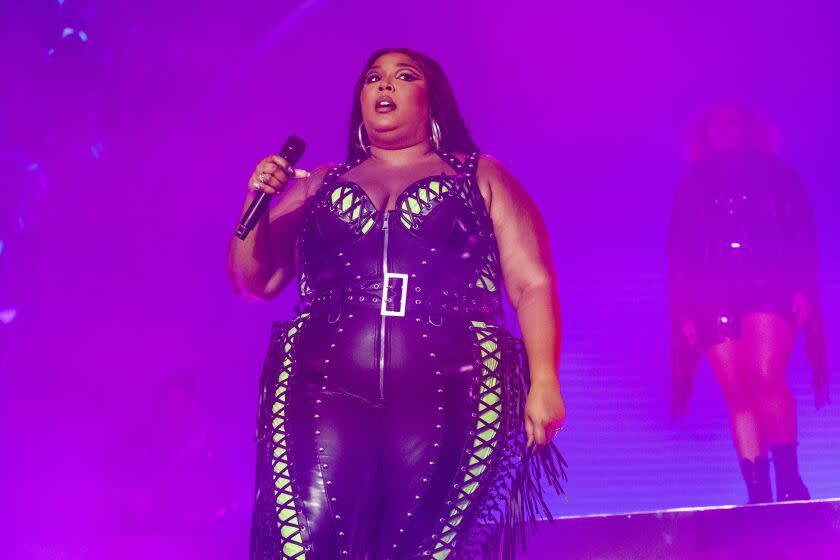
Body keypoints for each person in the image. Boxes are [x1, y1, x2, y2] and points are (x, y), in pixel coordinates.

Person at [228, 48, 567, 560]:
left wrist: (544, 380)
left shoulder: (481, 176)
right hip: (320, 382)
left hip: (458, 381)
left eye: (403, 76)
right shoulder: (321, 183)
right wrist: (257, 198)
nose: (384, 86)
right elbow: (255, 280)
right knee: (309, 542)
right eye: (372, 79)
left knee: (432, 546)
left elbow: (532, 284)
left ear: (432, 100)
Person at [668, 102, 828, 504]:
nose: (724, 131)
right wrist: (684, 308)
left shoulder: (779, 178)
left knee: (765, 375)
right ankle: (758, 493)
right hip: (712, 291)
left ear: (748, 128)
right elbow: (680, 250)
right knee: (737, 392)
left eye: (732, 122)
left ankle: (790, 481)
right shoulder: (693, 185)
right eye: (716, 124)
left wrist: (803, 287)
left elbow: (802, 234)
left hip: (768, 283)